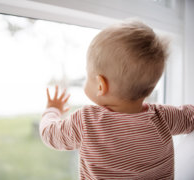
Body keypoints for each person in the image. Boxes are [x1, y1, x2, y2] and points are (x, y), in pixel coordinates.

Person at [39, 20, 194, 179]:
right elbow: (191, 116)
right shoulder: (163, 117)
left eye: (87, 74)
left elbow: (50, 134)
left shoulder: (86, 121)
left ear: (101, 85)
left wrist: (52, 109)